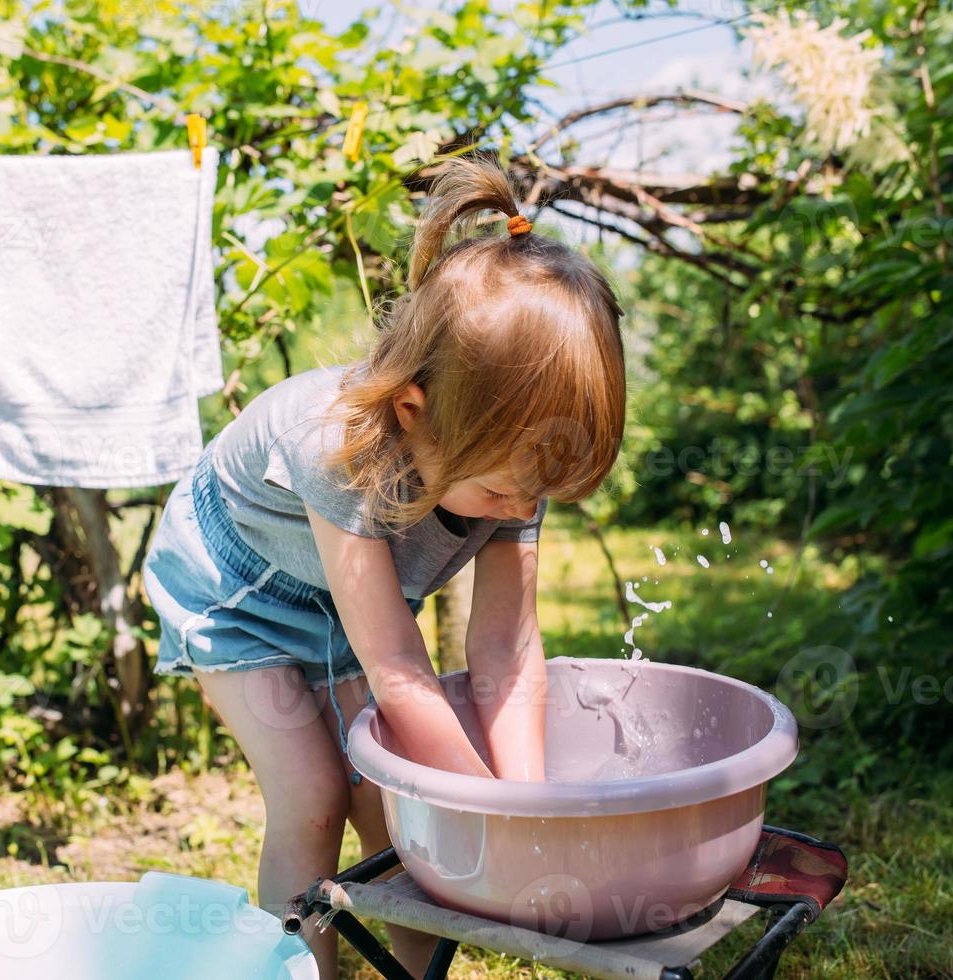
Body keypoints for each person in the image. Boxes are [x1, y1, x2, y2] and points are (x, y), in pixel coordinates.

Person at [141, 153, 627, 977]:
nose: (522, 510)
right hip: (234, 597)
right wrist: (487, 810)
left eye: (540, 494)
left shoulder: (517, 462)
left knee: (399, 805)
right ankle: (300, 974)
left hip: (345, 611)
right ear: (414, 411)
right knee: (315, 792)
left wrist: (526, 808)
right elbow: (399, 667)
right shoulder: (339, 446)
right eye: (505, 493)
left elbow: (508, 650)